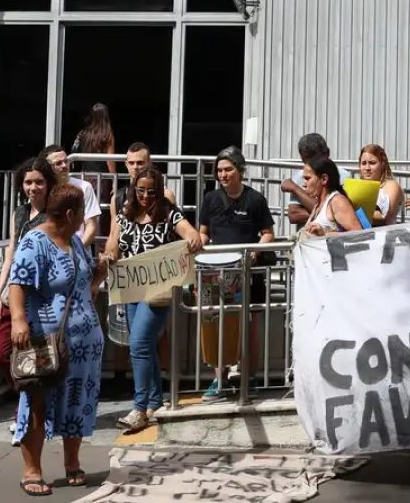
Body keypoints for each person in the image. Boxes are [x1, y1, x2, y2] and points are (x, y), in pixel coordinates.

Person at [9, 183, 110, 496]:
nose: (85, 219)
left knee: (77, 400)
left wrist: (102, 269)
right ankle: (32, 469)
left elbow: (85, 281)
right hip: (46, 340)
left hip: (84, 342)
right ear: (69, 213)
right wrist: (18, 320)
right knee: (38, 402)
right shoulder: (34, 241)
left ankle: (71, 461)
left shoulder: (76, 243)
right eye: (82, 213)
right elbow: (18, 282)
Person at [105, 165, 202, 432]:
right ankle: (155, 401)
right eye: (141, 191)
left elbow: (191, 234)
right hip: (130, 288)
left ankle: (139, 408)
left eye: (151, 191)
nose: (146, 196)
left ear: (159, 192)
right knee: (145, 345)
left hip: (157, 292)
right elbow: (113, 244)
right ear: (133, 191)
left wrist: (193, 240)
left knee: (138, 344)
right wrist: (110, 255)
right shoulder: (124, 214)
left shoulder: (169, 214)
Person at [197, 148, 275, 401]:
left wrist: (255, 250)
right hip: (216, 273)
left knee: (249, 325)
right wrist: (196, 249)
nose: (223, 174)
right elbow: (204, 232)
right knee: (216, 324)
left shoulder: (255, 199)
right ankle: (220, 381)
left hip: (247, 274)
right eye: (219, 170)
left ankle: (248, 378)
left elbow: (267, 233)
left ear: (241, 171)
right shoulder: (210, 199)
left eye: (228, 169)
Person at [0, 158, 58, 441]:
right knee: (0, 355)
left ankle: (30, 414)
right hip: (11, 295)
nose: (33, 188)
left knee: (36, 360)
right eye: (28, 182)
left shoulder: (53, 216)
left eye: (39, 182)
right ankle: (24, 401)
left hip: (37, 301)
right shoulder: (19, 213)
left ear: (49, 184)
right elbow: (11, 251)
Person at [282, 134, 350, 227]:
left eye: (315, 160)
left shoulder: (343, 177)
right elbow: (294, 215)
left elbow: (344, 212)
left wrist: (295, 189)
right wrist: (329, 214)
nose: (310, 166)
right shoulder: (300, 176)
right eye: (306, 161)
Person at [41, 144, 101, 248]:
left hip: (78, 253)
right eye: (58, 163)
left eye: (66, 161)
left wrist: (77, 252)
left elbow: (91, 226)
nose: (64, 166)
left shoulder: (84, 187)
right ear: (47, 168)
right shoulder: (42, 190)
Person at [300, 155, 364, 235]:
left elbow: (358, 233)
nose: (304, 184)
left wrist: (324, 233)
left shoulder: (337, 201)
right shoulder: (318, 205)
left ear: (324, 179)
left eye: (308, 178)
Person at [70, 102, 116, 205]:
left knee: (85, 208)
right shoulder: (107, 134)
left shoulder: (83, 133)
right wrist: (114, 180)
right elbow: (110, 160)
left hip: (83, 176)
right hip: (101, 179)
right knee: (100, 208)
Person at [358, 144, 404, 225]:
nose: (367, 168)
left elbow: (384, 216)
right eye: (363, 163)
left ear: (383, 164)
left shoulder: (391, 185)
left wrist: (352, 212)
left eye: (372, 163)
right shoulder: (357, 185)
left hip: (384, 234)